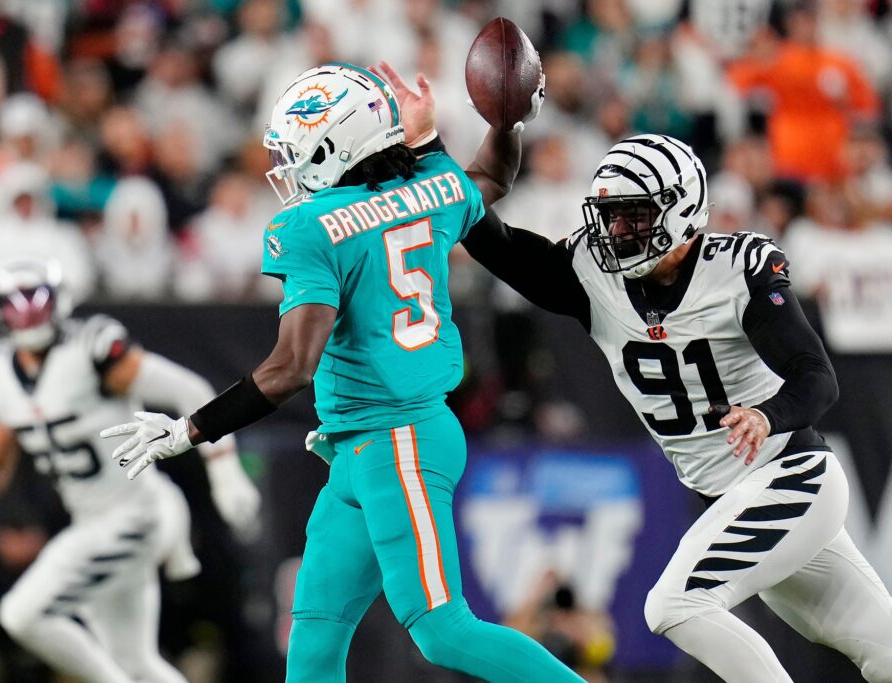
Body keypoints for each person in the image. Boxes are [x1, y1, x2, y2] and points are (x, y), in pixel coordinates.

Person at [388, 76, 892, 680]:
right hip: (733, 494)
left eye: (633, 216)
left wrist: (766, 415)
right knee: (883, 650)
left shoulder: (737, 268)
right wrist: (428, 147)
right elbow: (487, 235)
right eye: (610, 216)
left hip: (790, 477)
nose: (617, 232)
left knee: (675, 605)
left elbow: (817, 377)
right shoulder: (592, 277)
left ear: (683, 209)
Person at [100, 61, 582, 683]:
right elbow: (492, 175)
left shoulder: (309, 227)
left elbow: (291, 369)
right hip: (364, 445)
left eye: (298, 153)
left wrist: (191, 429)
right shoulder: (431, 180)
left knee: (442, 630)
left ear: (333, 148)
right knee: (315, 635)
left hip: (400, 438)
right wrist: (503, 122)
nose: (289, 171)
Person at [0, 258, 261, 683]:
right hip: (94, 519)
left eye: (37, 301)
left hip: (135, 512)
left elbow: (189, 389)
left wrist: (226, 471)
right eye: (15, 305)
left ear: (59, 300)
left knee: (21, 614)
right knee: (136, 663)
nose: (27, 314)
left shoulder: (90, 348)